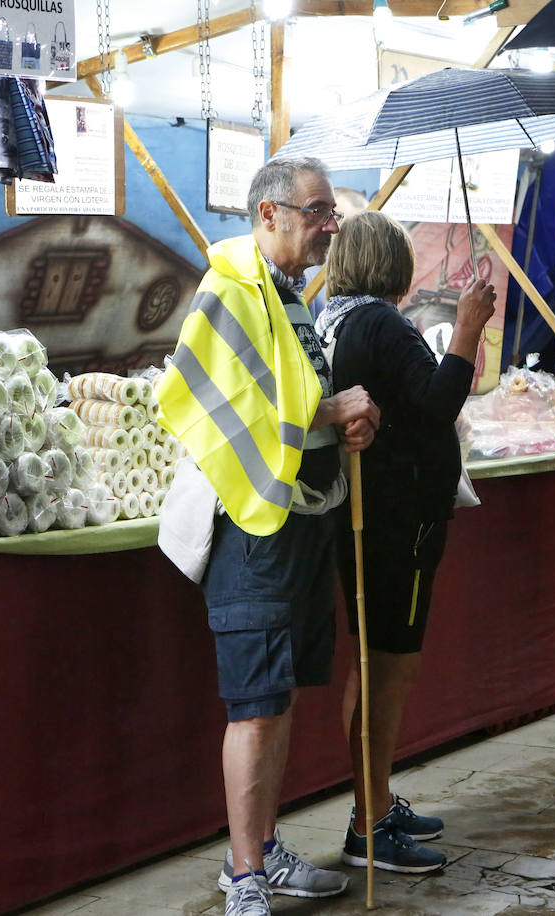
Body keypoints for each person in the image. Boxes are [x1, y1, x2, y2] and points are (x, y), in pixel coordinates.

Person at [156, 158, 382, 916]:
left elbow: (295, 398)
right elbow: (197, 400)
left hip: (295, 520)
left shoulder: (287, 295)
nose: (331, 225)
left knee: (276, 698)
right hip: (253, 525)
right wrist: (325, 415)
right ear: (269, 214)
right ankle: (245, 874)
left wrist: (345, 420)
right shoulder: (229, 290)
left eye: (330, 212)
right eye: (318, 211)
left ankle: (262, 850)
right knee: (254, 704)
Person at [312, 210, 496, 874]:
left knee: (372, 661)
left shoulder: (332, 319)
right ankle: (369, 824)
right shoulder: (382, 324)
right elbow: (437, 402)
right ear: (392, 265)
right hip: (396, 520)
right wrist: (469, 328)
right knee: (388, 666)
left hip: (365, 512)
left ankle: (377, 799)